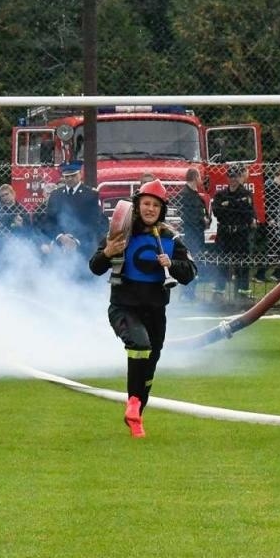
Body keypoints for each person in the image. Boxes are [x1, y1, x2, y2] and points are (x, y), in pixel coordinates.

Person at [88, 180, 196, 438]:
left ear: (162, 210)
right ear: (137, 206)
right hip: (124, 308)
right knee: (139, 345)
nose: (150, 209)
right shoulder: (120, 233)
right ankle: (133, 403)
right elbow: (95, 266)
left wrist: (172, 264)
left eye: (155, 205)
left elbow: (190, 272)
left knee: (150, 365)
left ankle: (136, 414)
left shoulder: (170, 238)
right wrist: (108, 252)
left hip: (156, 312)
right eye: (146, 203)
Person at [211, 167, 257, 302]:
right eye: (231, 177)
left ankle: (242, 293)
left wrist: (229, 205)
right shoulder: (221, 194)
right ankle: (219, 292)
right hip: (224, 232)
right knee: (222, 263)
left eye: (236, 177)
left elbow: (247, 212)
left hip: (240, 233)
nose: (233, 180)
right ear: (228, 178)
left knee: (242, 263)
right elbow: (217, 212)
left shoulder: (246, 193)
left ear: (240, 177)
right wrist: (237, 204)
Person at [37, 162, 101, 257]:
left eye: (73, 175)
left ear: (80, 174)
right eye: (67, 176)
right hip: (59, 246)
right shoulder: (55, 195)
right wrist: (60, 237)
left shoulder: (90, 195)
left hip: (83, 246)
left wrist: (76, 240)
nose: (70, 179)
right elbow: (49, 221)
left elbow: (95, 222)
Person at [174, 169, 209, 268]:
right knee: (190, 256)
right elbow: (188, 216)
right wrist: (203, 220)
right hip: (189, 233)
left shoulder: (196, 196)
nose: (201, 180)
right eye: (199, 177)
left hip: (198, 232)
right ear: (195, 178)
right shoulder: (184, 195)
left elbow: (204, 212)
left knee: (196, 257)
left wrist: (206, 219)